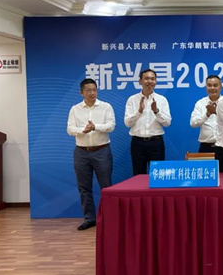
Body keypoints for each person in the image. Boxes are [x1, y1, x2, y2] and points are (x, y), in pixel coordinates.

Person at [67, 78, 115, 231]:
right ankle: (89, 219)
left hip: (102, 151)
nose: (92, 92)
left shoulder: (106, 107)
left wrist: (95, 127)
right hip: (81, 152)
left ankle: (109, 218)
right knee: (84, 188)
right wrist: (83, 130)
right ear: (81, 92)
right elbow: (70, 129)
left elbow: (111, 126)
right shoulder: (75, 109)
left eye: (94, 89)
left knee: (106, 187)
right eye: (88, 90)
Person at [124, 69, 172, 175]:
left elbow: (167, 123)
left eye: (152, 79)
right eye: (146, 79)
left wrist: (156, 111)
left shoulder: (162, 100)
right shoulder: (132, 99)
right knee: (138, 175)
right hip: (138, 143)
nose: (150, 81)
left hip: (156, 143)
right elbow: (127, 123)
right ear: (140, 81)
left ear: (156, 81)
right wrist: (139, 111)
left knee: (158, 175)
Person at [190, 75, 222, 153]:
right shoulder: (200, 103)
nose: (212, 88)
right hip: (206, 147)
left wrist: (217, 113)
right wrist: (207, 115)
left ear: (220, 87)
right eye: (209, 85)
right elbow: (193, 123)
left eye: (215, 85)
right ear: (206, 87)